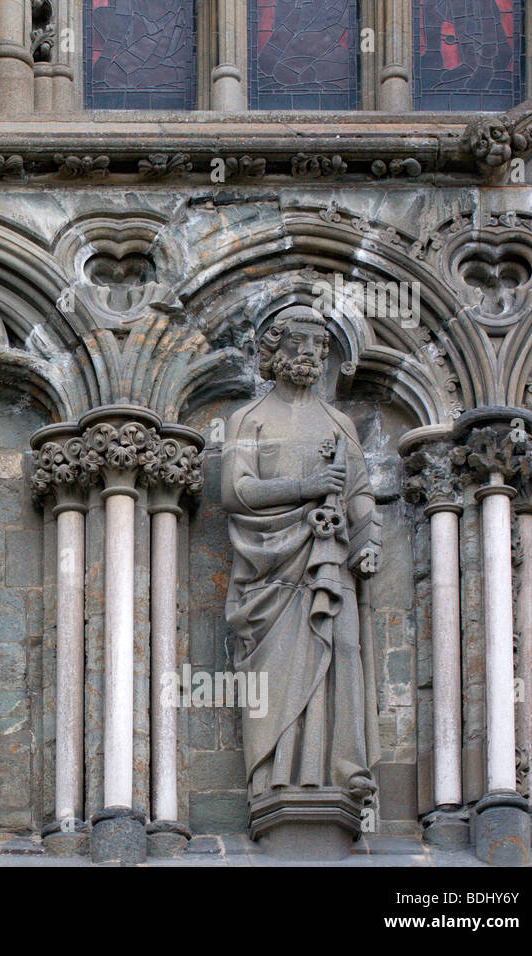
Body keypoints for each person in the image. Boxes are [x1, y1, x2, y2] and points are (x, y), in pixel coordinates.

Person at [222, 305, 381, 804]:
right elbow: (236, 490)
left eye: (320, 344)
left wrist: (368, 537)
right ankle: (276, 777)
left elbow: (358, 489)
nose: (311, 353)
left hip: (329, 558)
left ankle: (343, 766)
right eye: (299, 342)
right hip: (271, 566)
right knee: (281, 666)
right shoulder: (248, 419)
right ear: (275, 350)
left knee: (344, 652)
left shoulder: (338, 422)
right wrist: (305, 485)